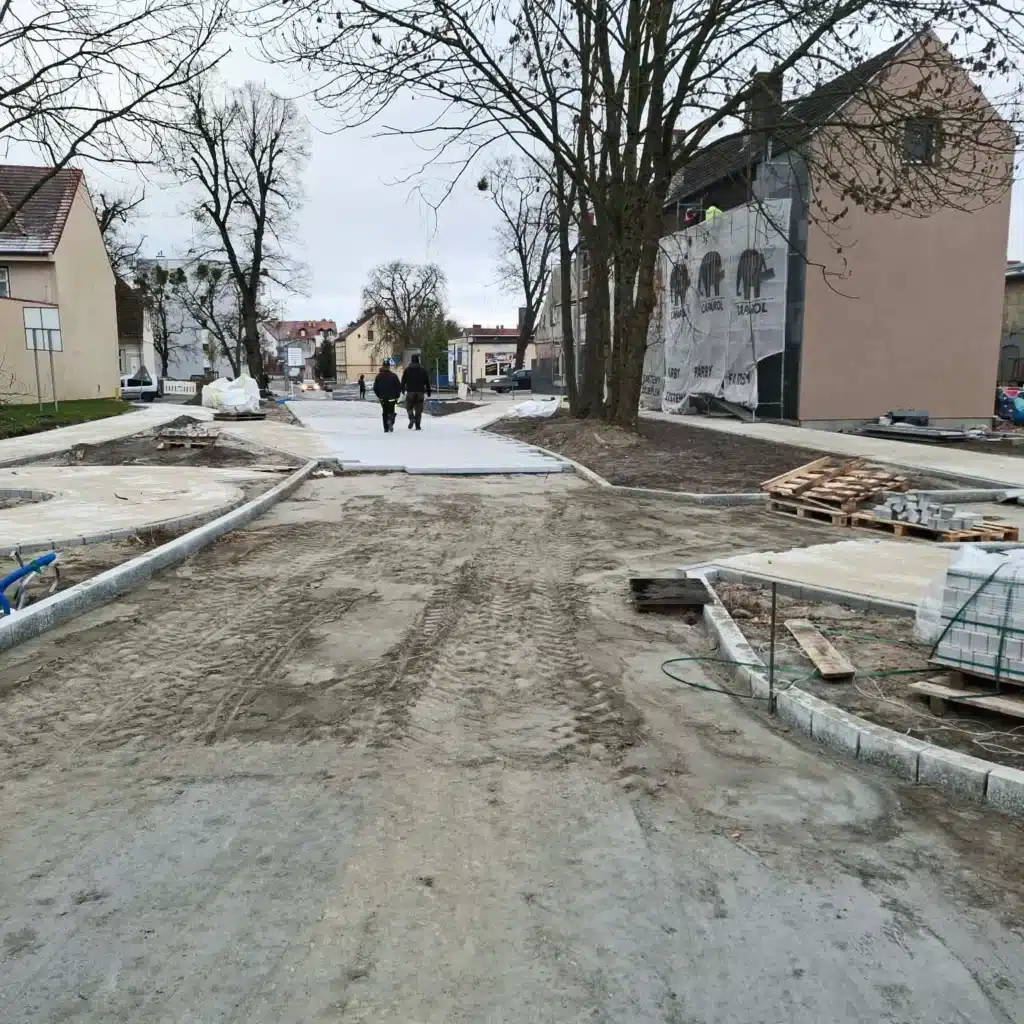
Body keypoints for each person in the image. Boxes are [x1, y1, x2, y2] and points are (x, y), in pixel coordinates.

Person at [401, 354, 432, 430]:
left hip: (410, 392)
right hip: (420, 392)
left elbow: (403, 381)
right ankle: (417, 425)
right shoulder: (423, 370)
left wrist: (403, 390)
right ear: (418, 360)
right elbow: (427, 381)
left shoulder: (407, 370)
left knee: (409, 407)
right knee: (418, 409)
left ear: (411, 360)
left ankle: (411, 418)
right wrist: (428, 391)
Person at [373, 361, 401, 432]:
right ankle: (390, 420)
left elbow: (375, 388)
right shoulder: (394, 376)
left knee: (385, 412)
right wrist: (397, 396)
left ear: (383, 366)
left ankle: (386, 428)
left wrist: (379, 396)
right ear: (389, 367)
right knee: (391, 411)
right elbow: (398, 387)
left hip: (383, 398)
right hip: (392, 398)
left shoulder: (378, 376)